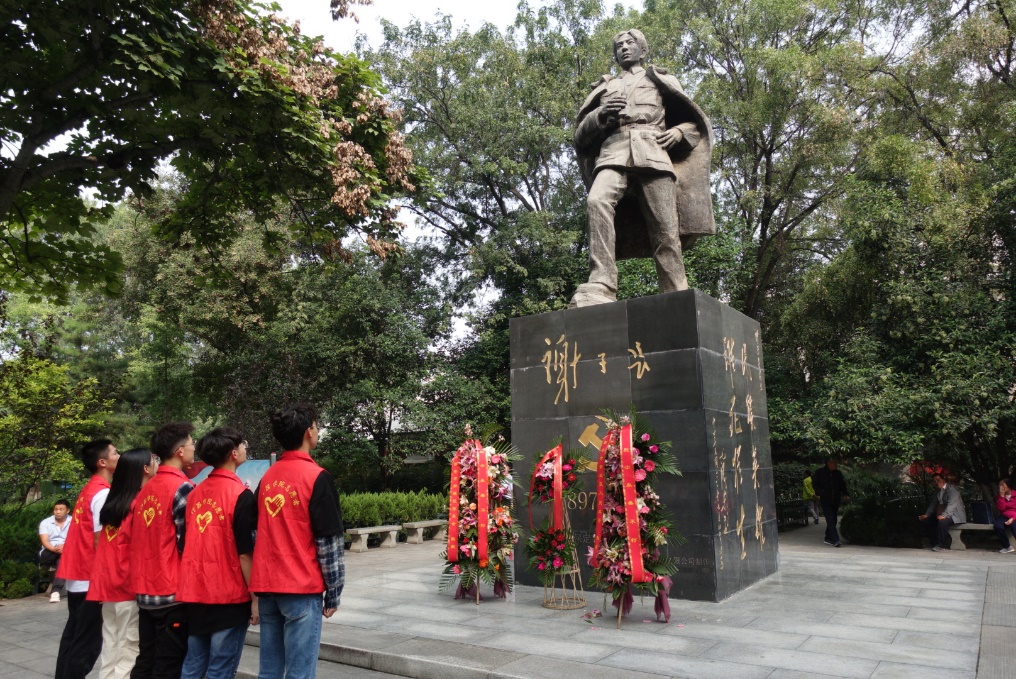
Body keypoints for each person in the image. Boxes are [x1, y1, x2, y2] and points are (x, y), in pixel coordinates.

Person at [570, 28, 715, 307]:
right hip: (613, 153)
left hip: (653, 153)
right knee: (597, 201)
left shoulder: (661, 79)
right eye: (619, 45)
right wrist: (600, 114)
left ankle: (675, 289)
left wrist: (679, 132)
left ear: (643, 50)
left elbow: (694, 122)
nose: (624, 48)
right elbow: (580, 138)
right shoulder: (604, 87)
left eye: (630, 43)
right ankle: (601, 283)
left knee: (665, 226)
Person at [251, 403, 344, 679]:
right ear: (307, 433)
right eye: (315, 426)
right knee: (300, 673)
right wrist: (334, 592)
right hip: (300, 588)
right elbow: (328, 542)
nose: (317, 431)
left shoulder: (267, 478)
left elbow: (255, 533)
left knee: (269, 671)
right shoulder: (317, 477)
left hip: (267, 588)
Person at [178, 427, 258, 679]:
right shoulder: (241, 495)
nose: (245, 448)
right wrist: (255, 598)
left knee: (193, 666)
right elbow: (245, 553)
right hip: (228, 595)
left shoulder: (194, 494)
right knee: (220, 669)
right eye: (243, 444)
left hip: (196, 592)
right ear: (233, 453)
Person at [131, 422, 196, 679]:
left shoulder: (145, 489)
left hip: (145, 590)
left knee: (146, 659)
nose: (194, 448)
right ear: (180, 451)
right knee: (169, 665)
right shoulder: (182, 488)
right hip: (172, 593)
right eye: (191, 443)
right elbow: (187, 543)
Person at [88, 449, 159, 679]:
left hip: (108, 587)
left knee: (110, 646)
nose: (158, 464)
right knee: (128, 650)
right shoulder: (139, 505)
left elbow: (103, 549)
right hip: (128, 588)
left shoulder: (113, 504)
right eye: (154, 461)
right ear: (145, 469)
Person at [55, 439, 120, 679]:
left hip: (78, 577)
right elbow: (100, 540)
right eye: (115, 453)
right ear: (102, 462)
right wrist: (105, 581)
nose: (119, 456)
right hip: (90, 578)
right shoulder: (103, 493)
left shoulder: (89, 489)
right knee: (87, 645)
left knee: (73, 637)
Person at [918, 473, 967, 551]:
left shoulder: (952, 490)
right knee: (926, 521)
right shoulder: (938, 491)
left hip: (955, 515)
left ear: (943, 480)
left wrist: (944, 515)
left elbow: (952, 505)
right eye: (934, 481)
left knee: (942, 522)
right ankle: (934, 542)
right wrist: (927, 515)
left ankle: (940, 545)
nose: (936, 482)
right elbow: (933, 504)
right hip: (943, 513)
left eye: (938, 480)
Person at [812, 458, 850, 547]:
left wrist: (845, 494)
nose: (836, 464)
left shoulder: (838, 473)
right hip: (825, 499)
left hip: (836, 499)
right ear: (828, 463)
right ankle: (835, 540)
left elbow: (842, 484)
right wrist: (821, 492)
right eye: (834, 462)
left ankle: (828, 537)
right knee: (830, 519)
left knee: (834, 519)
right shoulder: (820, 472)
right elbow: (815, 484)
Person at [39, 498, 71, 602]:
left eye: (61, 509)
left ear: (68, 510)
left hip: (67, 550)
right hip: (49, 552)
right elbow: (45, 541)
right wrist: (54, 548)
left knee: (62, 560)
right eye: (56, 509)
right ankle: (56, 590)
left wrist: (65, 546)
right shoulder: (46, 522)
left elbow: (76, 539)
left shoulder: (74, 522)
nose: (57, 512)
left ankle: (55, 591)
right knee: (63, 559)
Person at [993, 478, 1016, 554]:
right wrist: (1002, 496)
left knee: (1014, 526)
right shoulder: (999, 496)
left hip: (1015, 515)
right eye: (1000, 485)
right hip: (1005, 515)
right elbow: (1001, 509)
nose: (1001, 487)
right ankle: (1007, 547)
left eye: (1003, 485)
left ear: (1009, 486)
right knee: (997, 525)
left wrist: (1013, 518)